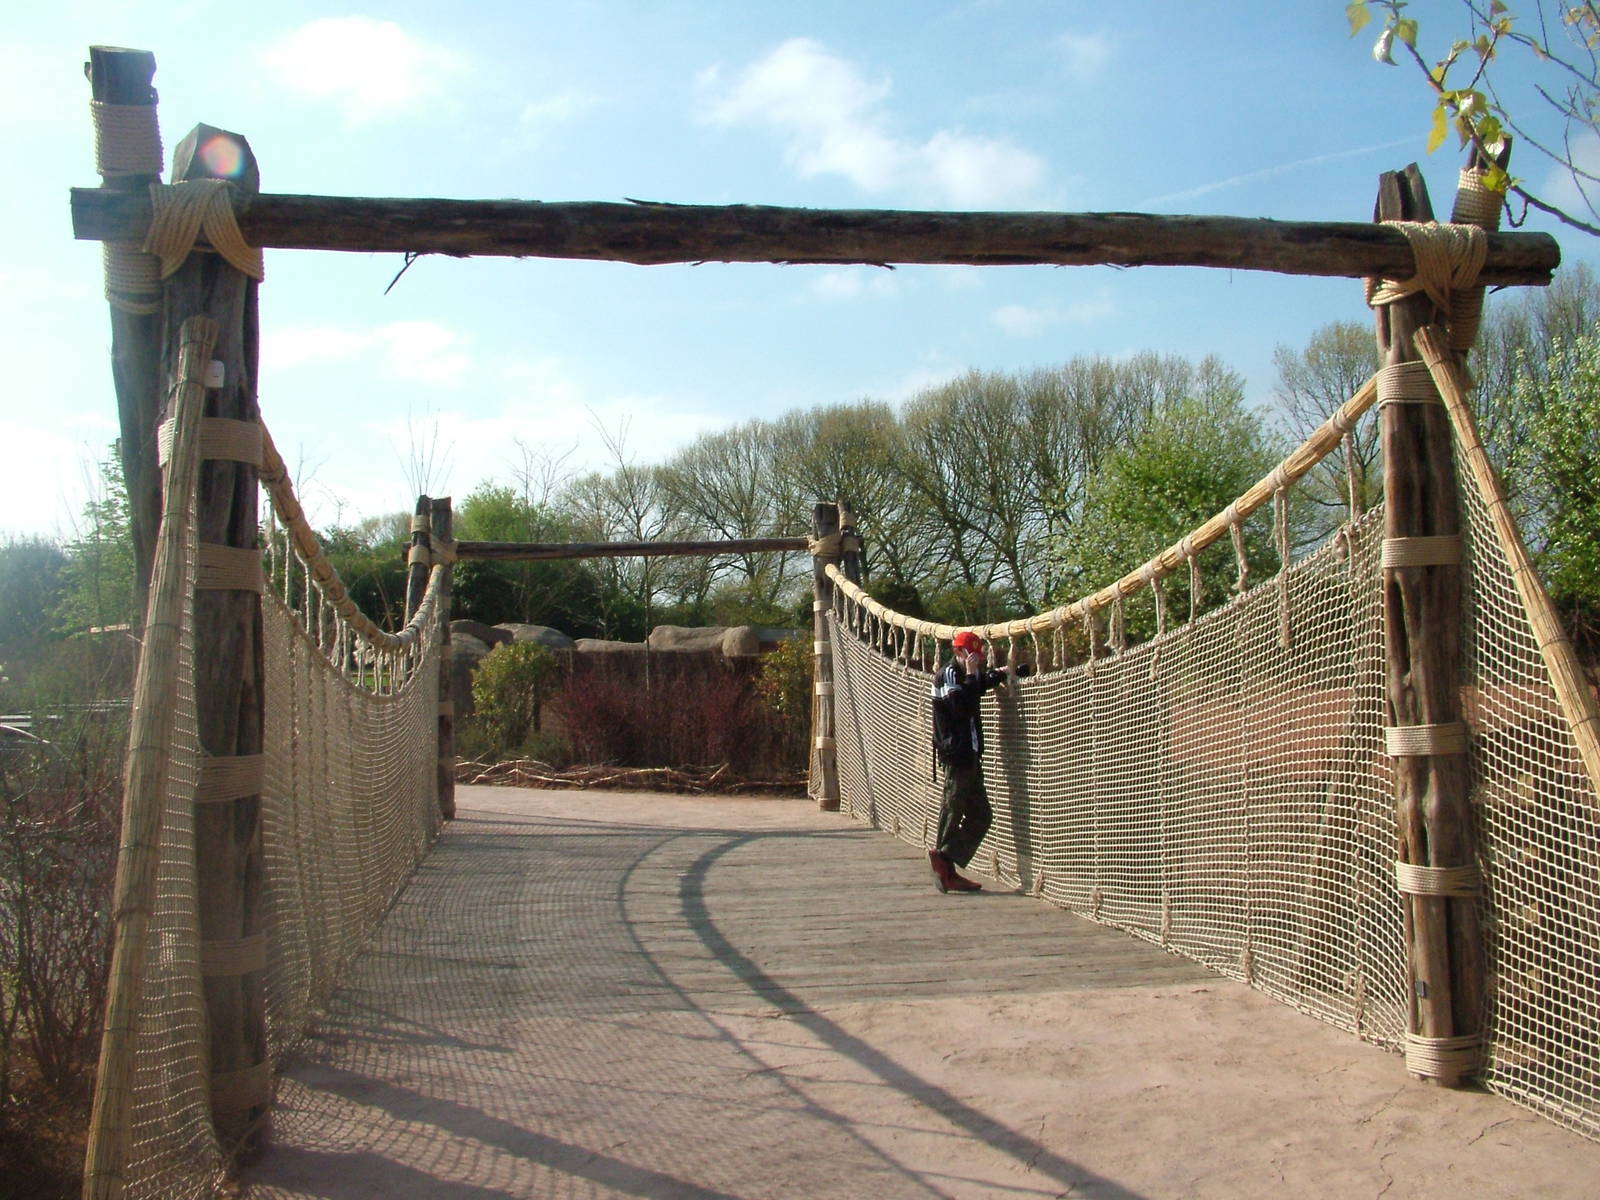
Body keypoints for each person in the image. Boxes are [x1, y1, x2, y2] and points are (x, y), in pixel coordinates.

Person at [928, 629, 1025, 894]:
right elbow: (960, 707)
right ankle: (946, 869)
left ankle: (945, 859)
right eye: (970, 654)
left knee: (981, 815)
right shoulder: (947, 674)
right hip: (956, 754)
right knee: (953, 807)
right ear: (958, 652)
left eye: (978, 655)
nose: (976, 659)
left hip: (970, 754)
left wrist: (1001, 673)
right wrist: (972, 676)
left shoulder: (968, 675)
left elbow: (978, 687)